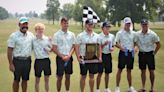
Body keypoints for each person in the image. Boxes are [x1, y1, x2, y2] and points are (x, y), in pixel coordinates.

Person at [7, 17, 34, 92]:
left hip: (27, 61)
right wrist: (10, 64)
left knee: (25, 80)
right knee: (16, 80)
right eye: (23, 24)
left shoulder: (31, 35)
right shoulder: (13, 36)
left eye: (26, 24)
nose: (25, 26)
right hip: (17, 61)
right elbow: (9, 50)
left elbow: (37, 45)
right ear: (19, 25)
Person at [75, 19, 102, 92]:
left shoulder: (97, 36)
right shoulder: (80, 36)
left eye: (91, 24)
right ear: (85, 25)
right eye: (89, 24)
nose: (90, 26)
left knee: (92, 76)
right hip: (83, 58)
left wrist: (100, 57)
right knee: (83, 76)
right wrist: (78, 58)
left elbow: (99, 47)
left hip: (93, 58)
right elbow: (77, 47)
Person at [136, 19, 160, 92]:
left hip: (150, 54)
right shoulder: (137, 34)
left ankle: (152, 88)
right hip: (141, 54)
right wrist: (136, 48)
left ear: (148, 25)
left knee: (151, 71)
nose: (144, 26)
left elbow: (158, 44)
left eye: (146, 24)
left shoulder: (153, 34)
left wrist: (154, 53)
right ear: (141, 25)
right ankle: (143, 87)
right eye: (143, 25)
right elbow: (135, 42)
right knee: (143, 71)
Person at [52, 17, 76, 92]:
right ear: (61, 24)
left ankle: (67, 90)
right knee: (59, 77)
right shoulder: (56, 35)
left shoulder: (72, 34)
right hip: (60, 58)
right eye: (64, 23)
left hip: (69, 58)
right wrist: (62, 56)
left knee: (68, 76)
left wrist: (69, 56)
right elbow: (54, 48)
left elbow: (73, 46)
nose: (66, 24)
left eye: (67, 23)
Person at [115, 17, 137, 92]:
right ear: (124, 24)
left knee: (129, 70)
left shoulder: (133, 33)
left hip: (131, 53)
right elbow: (116, 43)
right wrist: (122, 48)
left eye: (129, 23)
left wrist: (135, 48)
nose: (128, 25)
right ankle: (117, 87)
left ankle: (130, 87)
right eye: (126, 23)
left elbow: (135, 43)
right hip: (123, 53)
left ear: (130, 24)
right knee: (120, 70)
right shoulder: (120, 33)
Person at [96, 21, 115, 92]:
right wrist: (104, 44)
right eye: (106, 27)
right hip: (101, 55)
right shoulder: (99, 36)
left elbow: (113, 45)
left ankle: (106, 88)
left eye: (108, 27)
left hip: (108, 55)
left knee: (107, 72)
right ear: (102, 28)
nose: (107, 28)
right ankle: (97, 89)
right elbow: (98, 48)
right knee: (100, 73)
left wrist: (112, 48)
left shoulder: (112, 36)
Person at [33, 23, 52, 92]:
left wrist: (48, 50)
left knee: (46, 79)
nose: (40, 30)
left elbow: (51, 49)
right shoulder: (33, 40)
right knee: (37, 80)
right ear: (36, 30)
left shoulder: (47, 39)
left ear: (43, 30)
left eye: (41, 29)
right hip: (38, 61)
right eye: (38, 29)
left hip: (46, 60)